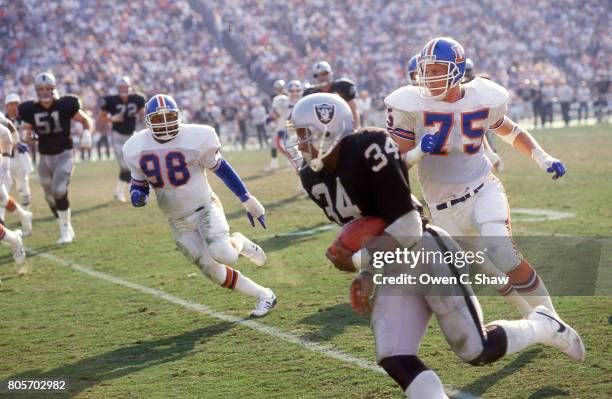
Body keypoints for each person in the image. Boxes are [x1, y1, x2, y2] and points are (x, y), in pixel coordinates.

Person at [287, 93, 584, 399]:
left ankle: (544, 326)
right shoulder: (313, 177)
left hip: (426, 252)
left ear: (328, 127)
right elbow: (368, 224)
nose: (299, 143)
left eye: (303, 134)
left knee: (473, 349)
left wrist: (360, 262)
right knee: (393, 354)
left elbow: (408, 225)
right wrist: (367, 274)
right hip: (394, 265)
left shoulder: (370, 147)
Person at [385, 37, 580, 324]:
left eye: (438, 70)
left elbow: (510, 131)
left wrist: (543, 157)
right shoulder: (409, 105)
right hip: (441, 207)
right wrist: (417, 152)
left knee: (502, 252)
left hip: (481, 187)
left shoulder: (482, 97)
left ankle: (553, 319)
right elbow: (393, 164)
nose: (430, 76)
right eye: (427, 69)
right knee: (491, 271)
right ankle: (535, 320)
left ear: (457, 70)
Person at [123, 94, 276, 317]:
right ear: (147, 121)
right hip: (176, 219)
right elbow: (139, 183)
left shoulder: (196, 136)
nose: (165, 123)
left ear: (178, 116)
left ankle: (240, 242)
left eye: (169, 117)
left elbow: (221, 168)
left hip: (204, 207)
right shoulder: (135, 147)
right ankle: (264, 295)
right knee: (212, 271)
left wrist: (246, 198)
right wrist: (138, 195)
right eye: (158, 119)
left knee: (224, 253)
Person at [18, 72, 93, 244]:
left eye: (48, 88)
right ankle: (63, 222)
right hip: (44, 157)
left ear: (54, 89)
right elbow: (27, 130)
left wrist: (87, 133)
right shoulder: (30, 109)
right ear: (36, 90)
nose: (45, 92)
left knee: (59, 190)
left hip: (64, 154)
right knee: (49, 195)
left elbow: (85, 120)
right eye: (41, 89)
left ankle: (65, 230)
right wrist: (26, 135)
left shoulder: (65, 105)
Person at [100, 76, 146, 202]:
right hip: (117, 136)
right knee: (125, 166)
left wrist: (145, 128)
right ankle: (132, 188)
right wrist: (112, 119)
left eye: (125, 87)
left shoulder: (137, 99)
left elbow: (143, 114)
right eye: (121, 87)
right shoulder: (111, 100)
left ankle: (119, 192)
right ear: (117, 89)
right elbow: (102, 117)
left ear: (129, 87)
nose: (123, 89)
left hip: (131, 135)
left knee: (131, 165)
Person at [303, 61, 360, 129]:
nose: (321, 77)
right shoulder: (311, 92)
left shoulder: (343, 86)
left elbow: (353, 109)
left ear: (330, 73)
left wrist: (356, 128)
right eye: (317, 75)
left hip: (342, 127)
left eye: (324, 73)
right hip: (319, 130)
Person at [4, 93, 34, 210]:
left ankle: (26, 213)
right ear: (7, 106)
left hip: (20, 157)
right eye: (11, 104)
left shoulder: (25, 119)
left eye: (16, 104)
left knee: (23, 187)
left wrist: (25, 142)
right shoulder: (3, 120)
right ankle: (2, 218)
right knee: (4, 189)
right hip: (6, 159)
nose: (14, 107)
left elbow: (31, 139)